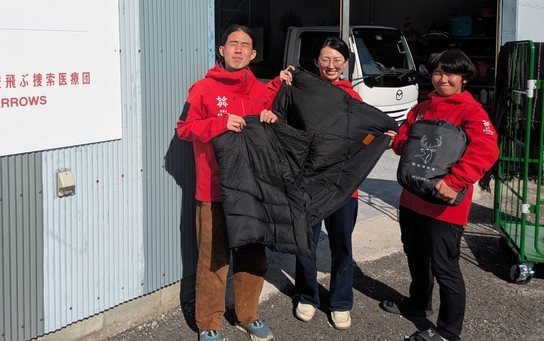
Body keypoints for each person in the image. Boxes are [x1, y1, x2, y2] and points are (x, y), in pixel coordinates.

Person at [176, 24, 293, 341]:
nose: (238, 50)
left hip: (253, 191)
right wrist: (218, 123)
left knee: (253, 256)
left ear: (253, 54)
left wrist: (270, 119)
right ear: (221, 50)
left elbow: (272, 131)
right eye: (233, 43)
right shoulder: (203, 89)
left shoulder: (260, 91)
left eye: (245, 45)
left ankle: (248, 314)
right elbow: (184, 129)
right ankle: (209, 322)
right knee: (213, 259)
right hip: (213, 190)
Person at [380, 50, 499, 341]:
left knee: (445, 268)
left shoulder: (471, 112)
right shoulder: (422, 108)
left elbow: (486, 150)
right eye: (437, 73)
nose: (443, 79)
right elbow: (405, 139)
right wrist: (396, 141)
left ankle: (448, 331)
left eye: (451, 73)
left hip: (445, 207)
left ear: (464, 78)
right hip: (412, 199)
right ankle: (419, 302)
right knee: (415, 254)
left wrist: (456, 181)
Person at [293, 37, 363, 330]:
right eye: (325, 59)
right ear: (316, 62)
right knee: (305, 242)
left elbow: (365, 136)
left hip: (344, 188)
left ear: (345, 63)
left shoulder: (354, 98)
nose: (331, 65)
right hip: (309, 184)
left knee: (341, 245)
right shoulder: (303, 93)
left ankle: (340, 302)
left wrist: (379, 138)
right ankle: (307, 295)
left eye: (337, 60)